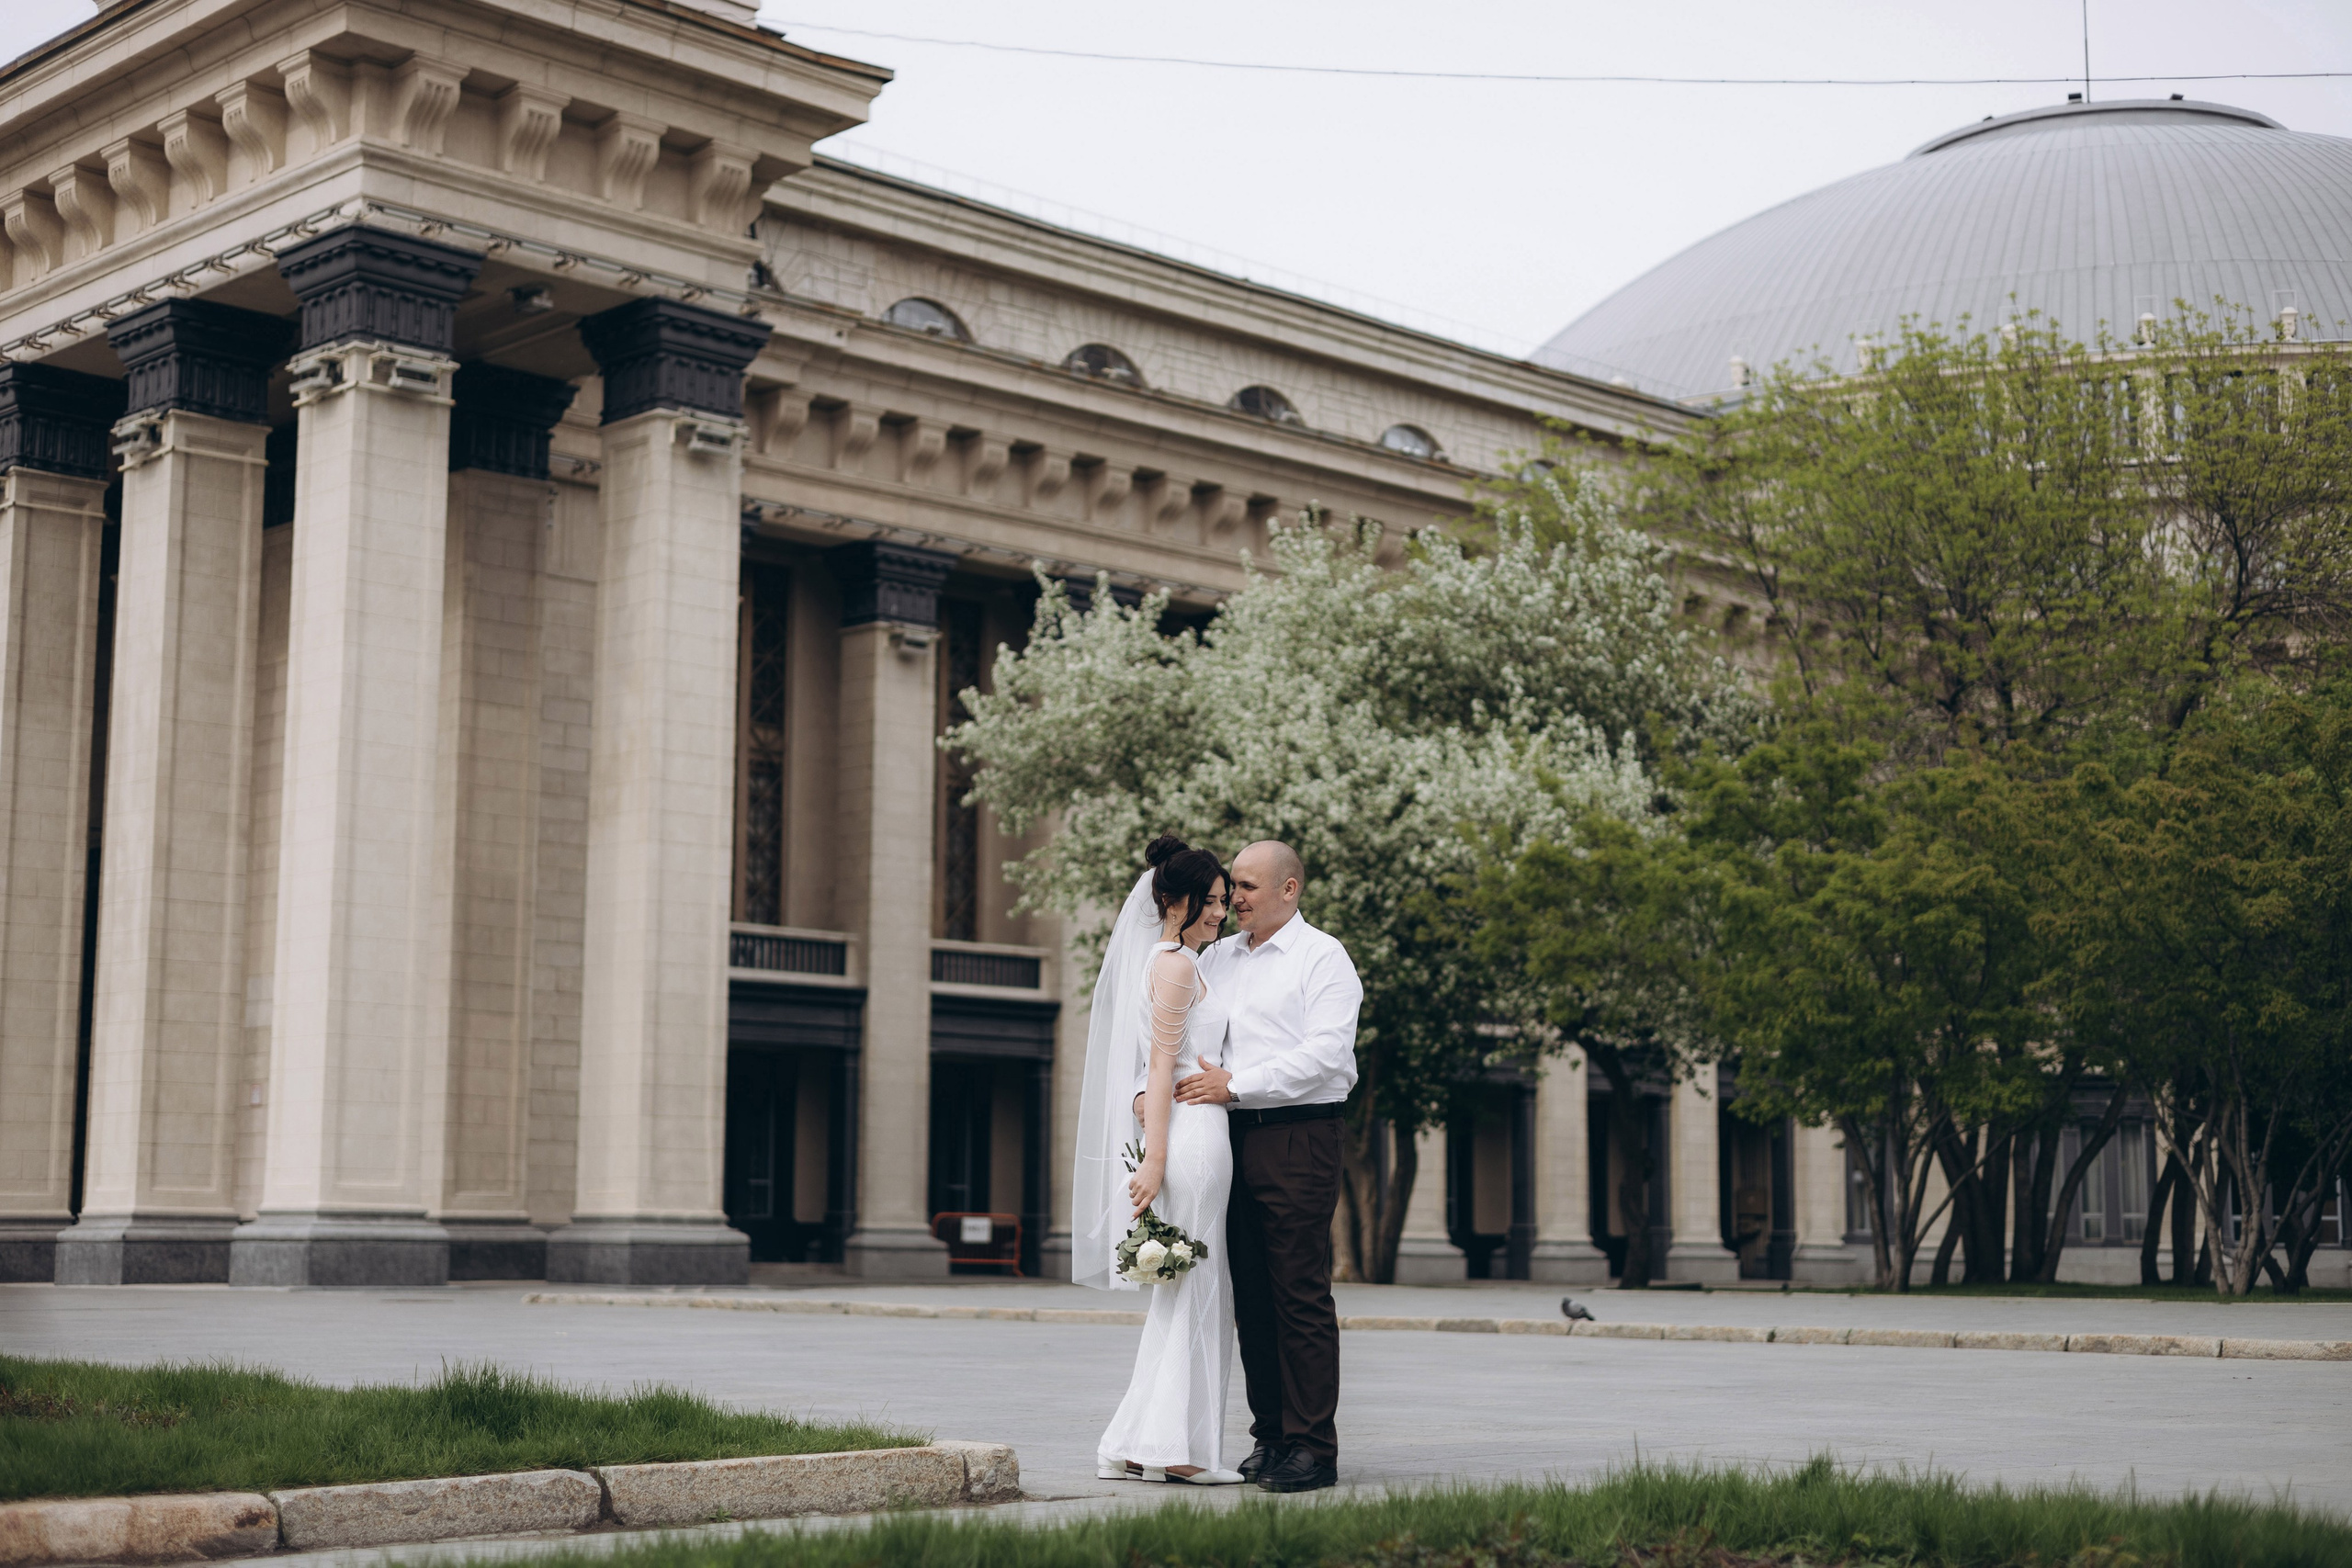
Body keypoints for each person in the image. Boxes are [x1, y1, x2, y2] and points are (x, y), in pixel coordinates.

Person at [1173, 840, 1362, 1495]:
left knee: (1299, 1293)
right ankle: (1273, 1435)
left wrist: (1238, 1083)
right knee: (1250, 1294)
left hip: (1298, 1135)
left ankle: (1315, 1446)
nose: (1237, 897)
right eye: (1235, 885)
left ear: (1290, 889)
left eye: (1249, 885)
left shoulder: (1323, 957)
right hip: (1229, 1138)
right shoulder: (1217, 957)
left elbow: (1328, 1056)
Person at [1078, 834, 1245, 1484]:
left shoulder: (1177, 960)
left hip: (1194, 1130)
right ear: (1173, 903)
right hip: (1194, 1139)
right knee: (1199, 1291)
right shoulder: (1175, 965)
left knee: (1184, 1295)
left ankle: (1134, 1441)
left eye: (1225, 901)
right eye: (1209, 901)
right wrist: (1154, 1160)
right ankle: (1177, 1451)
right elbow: (1159, 1063)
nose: (1219, 913)